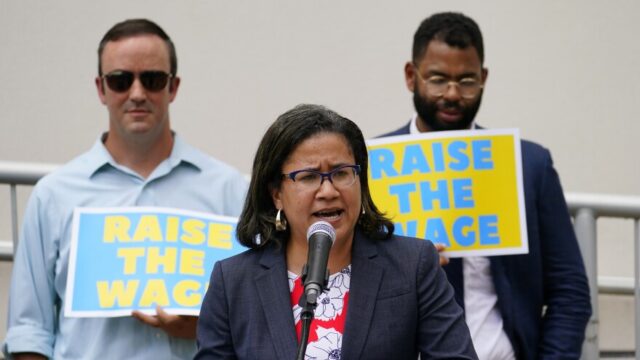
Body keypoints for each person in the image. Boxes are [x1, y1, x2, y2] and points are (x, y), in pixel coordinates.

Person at [3, 19, 248, 359]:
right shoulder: (53, 196)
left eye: (152, 79)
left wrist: (206, 321)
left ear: (173, 87)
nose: (137, 93)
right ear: (101, 89)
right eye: (120, 80)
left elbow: (258, 315)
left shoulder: (231, 192)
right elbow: (29, 332)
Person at [382, 12, 592, 359]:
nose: (452, 94)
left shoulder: (528, 166)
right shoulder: (372, 166)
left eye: (466, 81)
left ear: (484, 78)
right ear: (411, 76)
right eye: (437, 79)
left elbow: (569, 290)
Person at [195, 104, 477, 359]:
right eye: (308, 177)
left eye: (342, 173)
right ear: (276, 193)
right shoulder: (232, 283)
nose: (328, 191)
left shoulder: (413, 263)